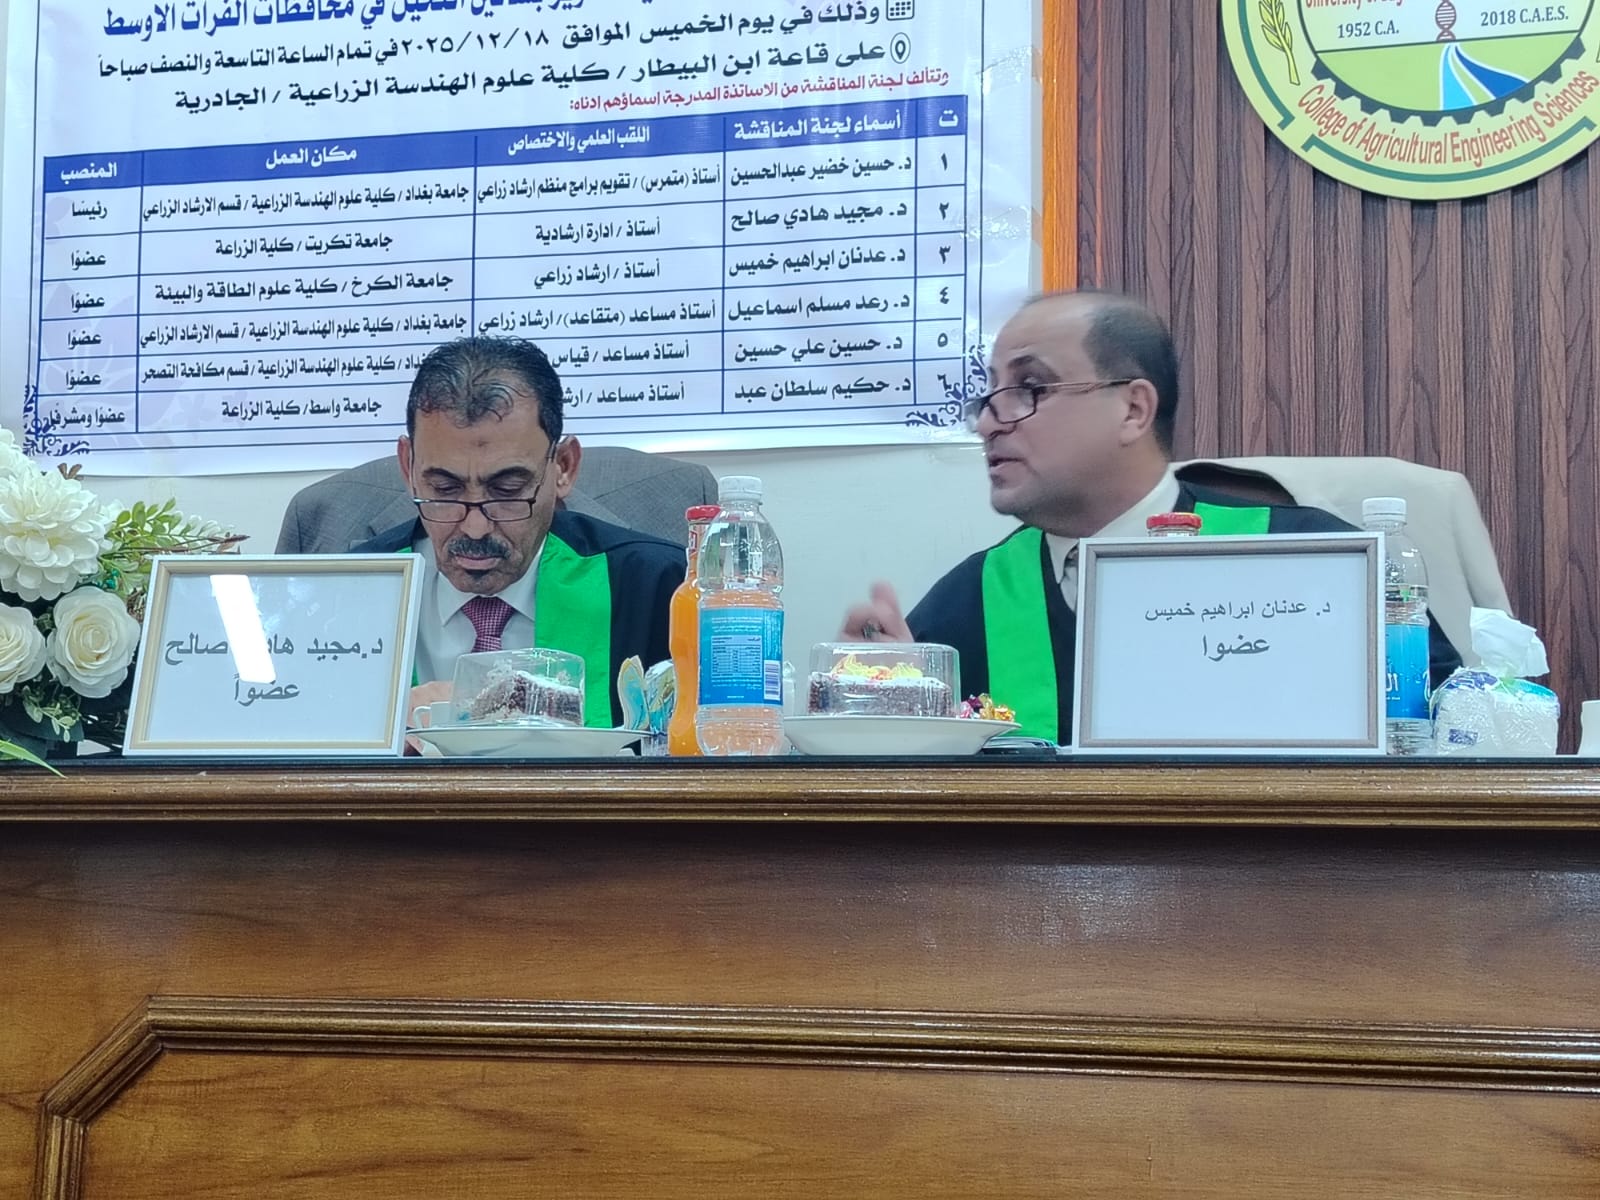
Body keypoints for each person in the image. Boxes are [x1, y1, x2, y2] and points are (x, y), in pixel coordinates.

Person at [841, 289, 1461, 742]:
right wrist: (890, 705)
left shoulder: (1316, 562)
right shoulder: (974, 597)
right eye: (989, 394)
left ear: (1134, 410)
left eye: (1029, 389)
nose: (987, 424)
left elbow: (1453, 732)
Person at [348, 337, 684, 727]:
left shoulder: (660, 589)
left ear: (563, 467)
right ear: (408, 467)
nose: (475, 528)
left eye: (507, 490)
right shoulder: (347, 592)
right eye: (444, 489)